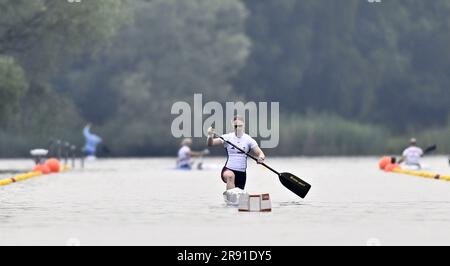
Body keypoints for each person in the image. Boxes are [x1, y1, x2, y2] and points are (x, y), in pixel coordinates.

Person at [207, 116, 266, 194]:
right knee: (230, 176)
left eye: (240, 126)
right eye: (235, 126)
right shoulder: (227, 137)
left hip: (241, 173)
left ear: (244, 125)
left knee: (239, 198)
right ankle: (230, 198)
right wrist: (209, 135)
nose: (238, 128)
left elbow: (260, 153)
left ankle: (234, 200)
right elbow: (210, 143)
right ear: (232, 125)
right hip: (228, 169)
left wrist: (261, 158)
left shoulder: (248, 140)